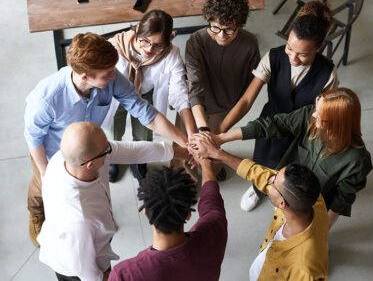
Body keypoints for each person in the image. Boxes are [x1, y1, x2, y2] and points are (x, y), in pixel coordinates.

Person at [24, 32, 188, 247]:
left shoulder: (111, 78)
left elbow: (145, 112)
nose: (114, 76)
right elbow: (33, 138)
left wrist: (186, 143)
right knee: (40, 189)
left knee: (91, 189)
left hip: (91, 149)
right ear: (84, 76)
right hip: (52, 153)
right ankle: (36, 213)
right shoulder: (46, 98)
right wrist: (47, 175)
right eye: (107, 73)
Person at [216, 0, 339, 211]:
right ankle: (257, 188)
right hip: (269, 123)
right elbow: (246, 101)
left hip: (302, 130)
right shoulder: (273, 57)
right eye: (290, 48)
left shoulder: (328, 73)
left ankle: (282, 193)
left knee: (292, 169)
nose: (292, 57)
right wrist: (219, 133)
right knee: (263, 158)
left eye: (302, 54)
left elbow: (323, 115)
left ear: (318, 48)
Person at [38, 122, 185, 281]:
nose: (111, 150)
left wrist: (183, 152)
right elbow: (87, 273)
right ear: (90, 164)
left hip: (87, 241)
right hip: (74, 268)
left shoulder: (68, 157)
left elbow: (132, 151)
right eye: (106, 149)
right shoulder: (79, 220)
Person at [209, 87, 372, 229]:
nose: (314, 115)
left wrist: (320, 232)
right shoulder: (311, 116)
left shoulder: (357, 161)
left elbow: (340, 202)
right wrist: (222, 138)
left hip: (312, 207)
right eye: (316, 109)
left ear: (338, 124)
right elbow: (274, 125)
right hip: (283, 186)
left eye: (321, 116)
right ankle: (261, 192)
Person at [189, 132, 329, 280]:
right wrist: (219, 154)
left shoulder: (305, 269)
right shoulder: (312, 198)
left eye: (273, 182)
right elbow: (261, 174)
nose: (269, 179)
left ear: (282, 203)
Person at [107, 9, 196, 182]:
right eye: (145, 41)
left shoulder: (171, 53)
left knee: (144, 133)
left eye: (157, 45)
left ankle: (139, 159)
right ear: (138, 30)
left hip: (145, 93)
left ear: (168, 40)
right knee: (112, 129)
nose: (148, 49)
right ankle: (113, 156)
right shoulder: (115, 46)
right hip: (116, 95)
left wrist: (191, 134)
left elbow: (179, 92)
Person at [184, 0, 261, 181]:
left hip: (224, 108)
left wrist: (214, 137)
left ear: (239, 25)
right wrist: (203, 131)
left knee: (215, 150)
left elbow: (248, 93)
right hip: (195, 106)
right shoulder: (196, 41)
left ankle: (214, 170)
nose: (221, 35)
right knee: (187, 149)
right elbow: (194, 88)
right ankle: (187, 181)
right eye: (215, 28)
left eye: (229, 29)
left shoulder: (250, 44)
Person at [108, 158, 227, 280]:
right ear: (188, 214)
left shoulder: (124, 275)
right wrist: (206, 164)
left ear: (146, 213)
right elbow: (211, 200)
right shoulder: (215, 231)